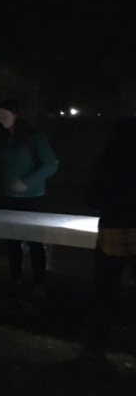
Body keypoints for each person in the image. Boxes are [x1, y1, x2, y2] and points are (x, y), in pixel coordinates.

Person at [0, 100, 58, 294]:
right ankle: (15, 278)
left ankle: (39, 282)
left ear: (16, 115)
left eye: (5, 115)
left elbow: (51, 163)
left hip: (32, 197)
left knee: (34, 240)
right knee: (12, 239)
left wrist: (28, 182)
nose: (1, 119)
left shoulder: (34, 137)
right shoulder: (2, 138)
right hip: (7, 196)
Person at [83, 117, 136, 363]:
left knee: (104, 291)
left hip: (112, 231)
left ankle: (95, 347)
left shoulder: (103, 162)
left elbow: (92, 199)